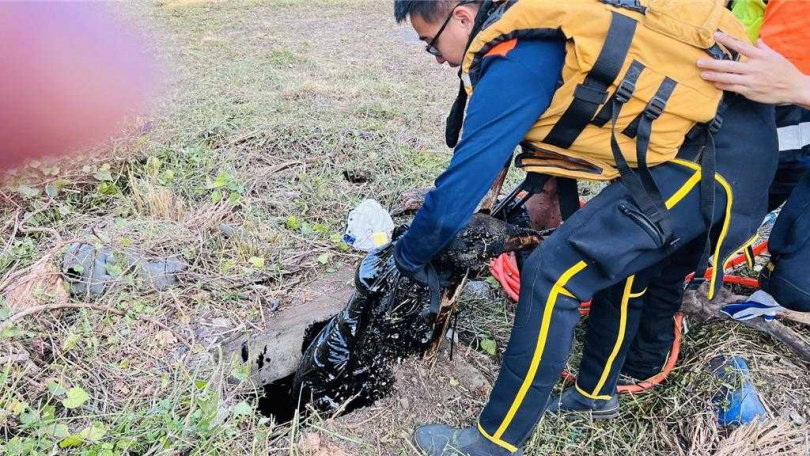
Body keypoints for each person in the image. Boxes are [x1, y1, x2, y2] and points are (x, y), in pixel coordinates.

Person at [391, 1, 777, 454]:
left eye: (430, 44)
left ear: (460, 17)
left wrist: (405, 259)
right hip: (724, 144)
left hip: (715, 161)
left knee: (552, 275)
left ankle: (492, 441)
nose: (437, 59)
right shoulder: (534, 28)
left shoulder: (517, 55)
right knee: (622, 267)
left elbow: (457, 189)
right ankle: (593, 397)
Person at [620, 0, 810, 384]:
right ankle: (643, 344)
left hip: (771, 122)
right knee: (674, 234)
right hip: (749, 108)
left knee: (692, 239)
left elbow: (775, 72)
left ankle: (644, 353)